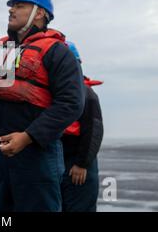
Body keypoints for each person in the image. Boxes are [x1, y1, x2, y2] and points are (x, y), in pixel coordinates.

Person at [0, 0, 85, 212]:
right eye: (12, 6)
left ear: (39, 13)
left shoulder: (58, 52)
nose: (12, 10)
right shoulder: (1, 50)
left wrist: (29, 137)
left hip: (38, 156)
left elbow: (71, 104)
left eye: (19, 6)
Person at [61, 41, 104, 212]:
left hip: (78, 165)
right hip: (61, 163)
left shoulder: (87, 94)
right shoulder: (58, 94)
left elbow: (94, 131)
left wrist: (82, 164)